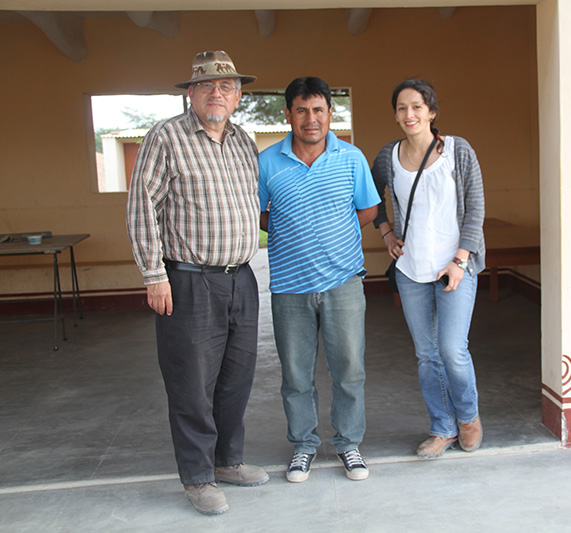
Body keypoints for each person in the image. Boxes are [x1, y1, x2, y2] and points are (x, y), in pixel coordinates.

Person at [126, 51, 267, 516]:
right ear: (191, 93)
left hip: (240, 278)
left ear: (238, 96)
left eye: (226, 86)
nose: (217, 93)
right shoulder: (166, 137)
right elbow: (142, 206)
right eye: (207, 86)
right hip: (187, 281)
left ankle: (228, 461)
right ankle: (198, 476)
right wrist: (153, 274)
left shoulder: (244, 141)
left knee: (236, 378)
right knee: (191, 383)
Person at [258, 76, 380, 483]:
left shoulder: (351, 158)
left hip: (343, 283)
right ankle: (304, 445)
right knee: (295, 373)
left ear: (330, 113)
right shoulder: (267, 162)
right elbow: (260, 215)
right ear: (288, 114)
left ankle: (349, 444)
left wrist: (331, 231)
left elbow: (366, 210)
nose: (311, 119)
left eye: (318, 110)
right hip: (289, 286)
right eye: (301, 110)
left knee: (349, 368)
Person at [371, 79, 486, 459]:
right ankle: (443, 427)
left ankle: (468, 417)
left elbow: (475, 209)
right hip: (411, 268)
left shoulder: (458, 150)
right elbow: (370, 198)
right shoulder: (389, 157)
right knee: (427, 355)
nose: (409, 115)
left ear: (432, 112)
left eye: (417, 107)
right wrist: (386, 231)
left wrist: (459, 260)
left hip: (455, 266)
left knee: (452, 349)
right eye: (402, 108)